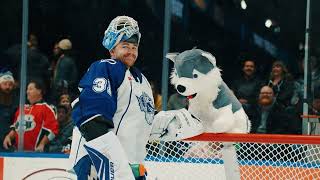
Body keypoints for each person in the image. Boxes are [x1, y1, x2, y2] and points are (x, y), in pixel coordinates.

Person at [69, 16, 155, 179]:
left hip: (131, 168)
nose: (131, 51)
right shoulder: (107, 67)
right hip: (99, 167)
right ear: (112, 50)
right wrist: (117, 169)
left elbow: (144, 124)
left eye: (134, 47)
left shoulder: (142, 82)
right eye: (125, 46)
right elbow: (91, 120)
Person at [2, 79, 59, 152]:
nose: (27, 92)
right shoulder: (22, 108)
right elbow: (16, 127)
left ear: (39, 91)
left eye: (30, 89)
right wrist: (8, 136)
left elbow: (53, 130)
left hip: (37, 154)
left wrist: (42, 144)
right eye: (27, 89)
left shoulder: (48, 108)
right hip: (18, 153)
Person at [0, 71, 18, 152]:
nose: (8, 87)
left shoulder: (17, 103)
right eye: (5, 84)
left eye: (10, 84)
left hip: (10, 144)